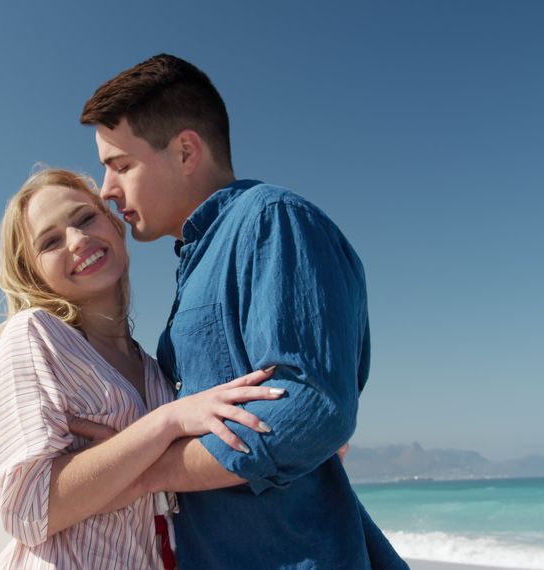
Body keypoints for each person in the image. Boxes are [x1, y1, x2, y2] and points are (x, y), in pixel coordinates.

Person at [79, 54, 409, 569]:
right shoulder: (197, 260)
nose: (106, 189)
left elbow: (310, 407)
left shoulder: (273, 221)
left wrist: (149, 470)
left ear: (187, 150)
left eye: (121, 165)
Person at [0, 168, 283, 569]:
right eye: (50, 241)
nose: (78, 240)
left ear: (115, 225)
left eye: (86, 218)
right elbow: (26, 511)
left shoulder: (156, 370)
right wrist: (164, 426)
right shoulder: (35, 337)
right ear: (32, 271)